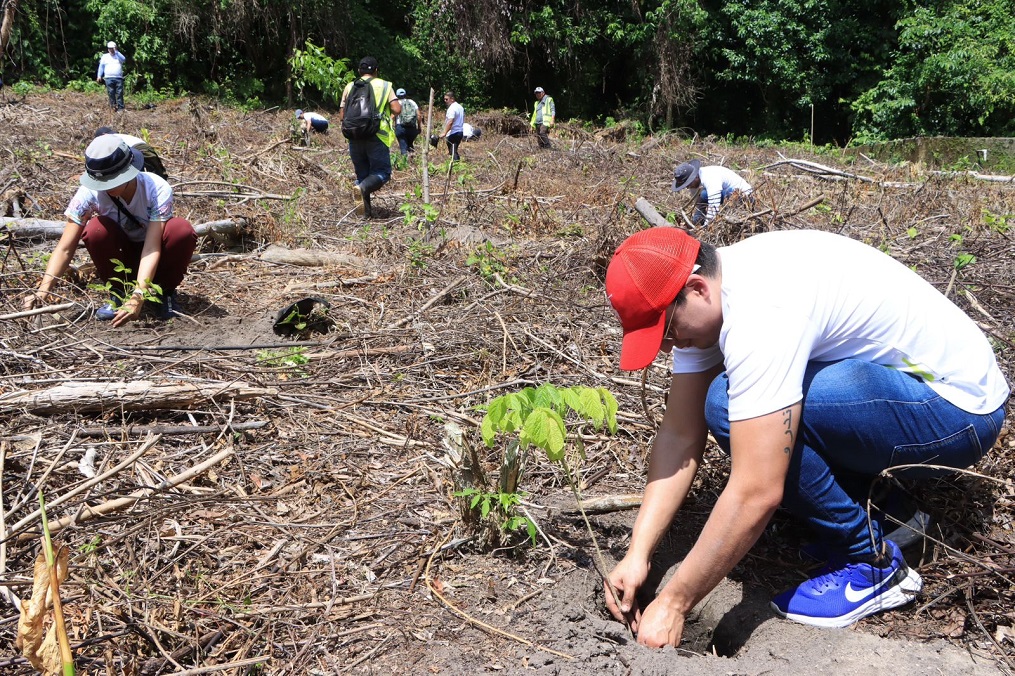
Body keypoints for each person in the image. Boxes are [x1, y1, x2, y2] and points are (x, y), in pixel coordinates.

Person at [602, 226, 1009, 647]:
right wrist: (638, 553)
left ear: (697, 288)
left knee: (729, 405)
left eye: (665, 330)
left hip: (956, 409)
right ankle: (890, 514)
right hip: (902, 392)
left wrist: (674, 603)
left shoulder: (761, 312)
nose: (668, 346)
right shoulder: (710, 295)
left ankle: (870, 563)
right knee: (738, 404)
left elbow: (757, 490)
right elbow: (680, 435)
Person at [22, 135, 197, 326]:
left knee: (180, 230)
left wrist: (139, 294)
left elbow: (151, 247)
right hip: (121, 256)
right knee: (96, 229)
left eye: (113, 180)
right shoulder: (88, 194)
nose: (108, 187)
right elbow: (65, 248)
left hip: (154, 255)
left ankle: (166, 293)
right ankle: (119, 293)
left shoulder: (156, 188)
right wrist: (43, 291)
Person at [340, 56, 400, 218]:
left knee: (362, 175)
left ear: (359, 71)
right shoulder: (385, 85)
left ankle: (364, 215)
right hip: (377, 135)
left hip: (354, 135)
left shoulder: (350, 86)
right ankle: (363, 188)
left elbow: (342, 114)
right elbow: (396, 108)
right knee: (383, 172)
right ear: (376, 71)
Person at [672, 160, 754, 227]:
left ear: (695, 177)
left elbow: (713, 207)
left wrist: (706, 227)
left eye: (688, 184)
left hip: (743, 195)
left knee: (705, 194)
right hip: (723, 195)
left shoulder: (710, 177)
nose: (687, 187)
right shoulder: (694, 184)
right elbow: (698, 204)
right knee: (702, 196)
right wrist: (695, 222)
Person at [95, 126, 169, 180]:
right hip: (147, 149)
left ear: (103, 134)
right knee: (157, 173)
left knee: (140, 177)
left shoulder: (109, 138)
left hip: (138, 150)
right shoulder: (121, 136)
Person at [96, 41, 126, 112]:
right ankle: (113, 107)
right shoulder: (105, 56)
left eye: (112, 48)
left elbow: (124, 59)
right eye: (109, 48)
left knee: (119, 93)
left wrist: (116, 51)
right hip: (108, 78)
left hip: (118, 78)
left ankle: (121, 108)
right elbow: (101, 67)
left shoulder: (118, 56)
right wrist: (99, 75)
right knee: (111, 93)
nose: (111, 50)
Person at [439, 91, 464, 162]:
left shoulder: (452, 108)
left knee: (452, 151)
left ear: (452, 99)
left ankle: (456, 166)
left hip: (454, 132)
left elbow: (450, 122)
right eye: (444, 99)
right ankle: (456, 164)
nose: (445, 101)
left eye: (446, 99)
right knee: (453, 150)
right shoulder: (460, 107)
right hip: (460, 132)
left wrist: (444, 132)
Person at [394, 89, 420, 155]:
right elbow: (419, 115)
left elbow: (393, 115)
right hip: (412, 127)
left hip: (400, 127)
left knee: (403, 147)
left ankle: (405, 163)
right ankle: (413, 161)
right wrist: (419, 127)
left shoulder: (396, 103)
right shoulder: (412, 102)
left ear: (396, 95)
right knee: (410, 145)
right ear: (405, 95)